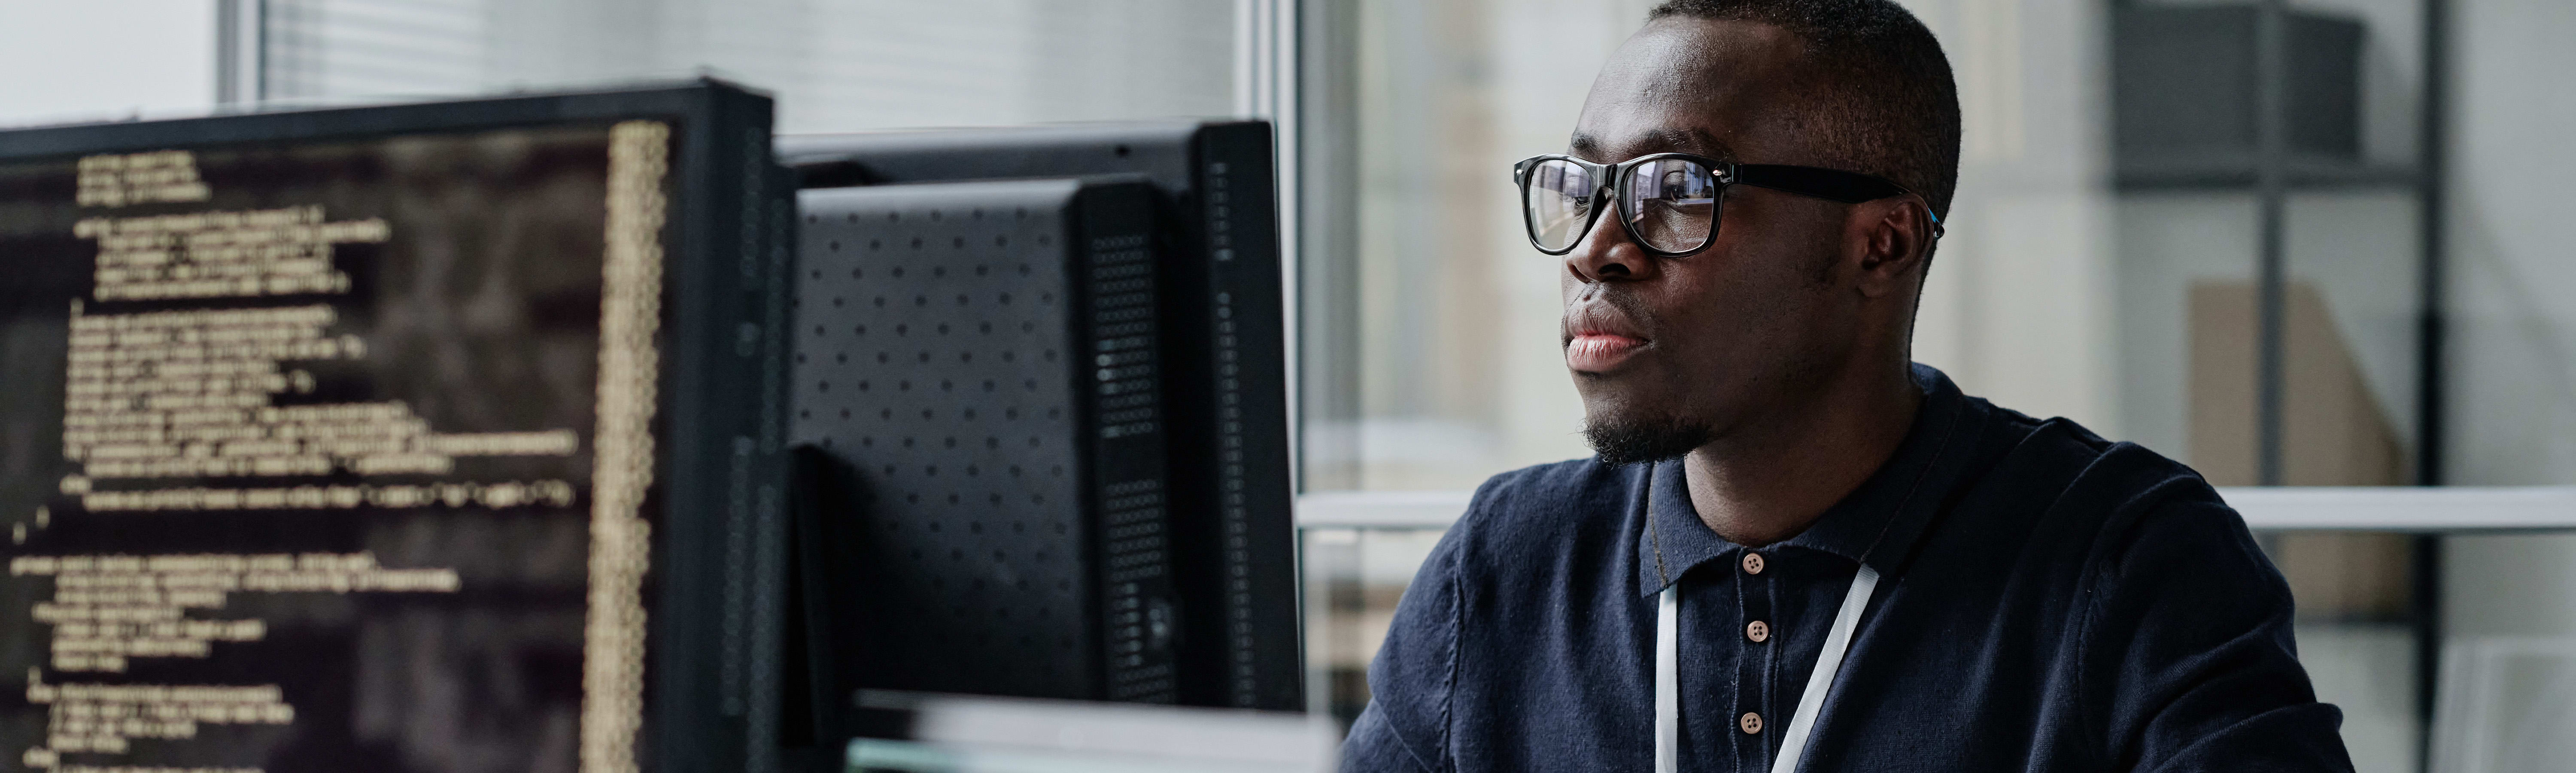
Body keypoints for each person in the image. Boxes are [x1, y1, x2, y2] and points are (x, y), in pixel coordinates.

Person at [1337, 1, 2357, 771]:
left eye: (1677, 191)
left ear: (1882, 245)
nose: (1596, 249)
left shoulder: (2127, 559)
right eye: (1585, 186)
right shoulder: (1506, 568)